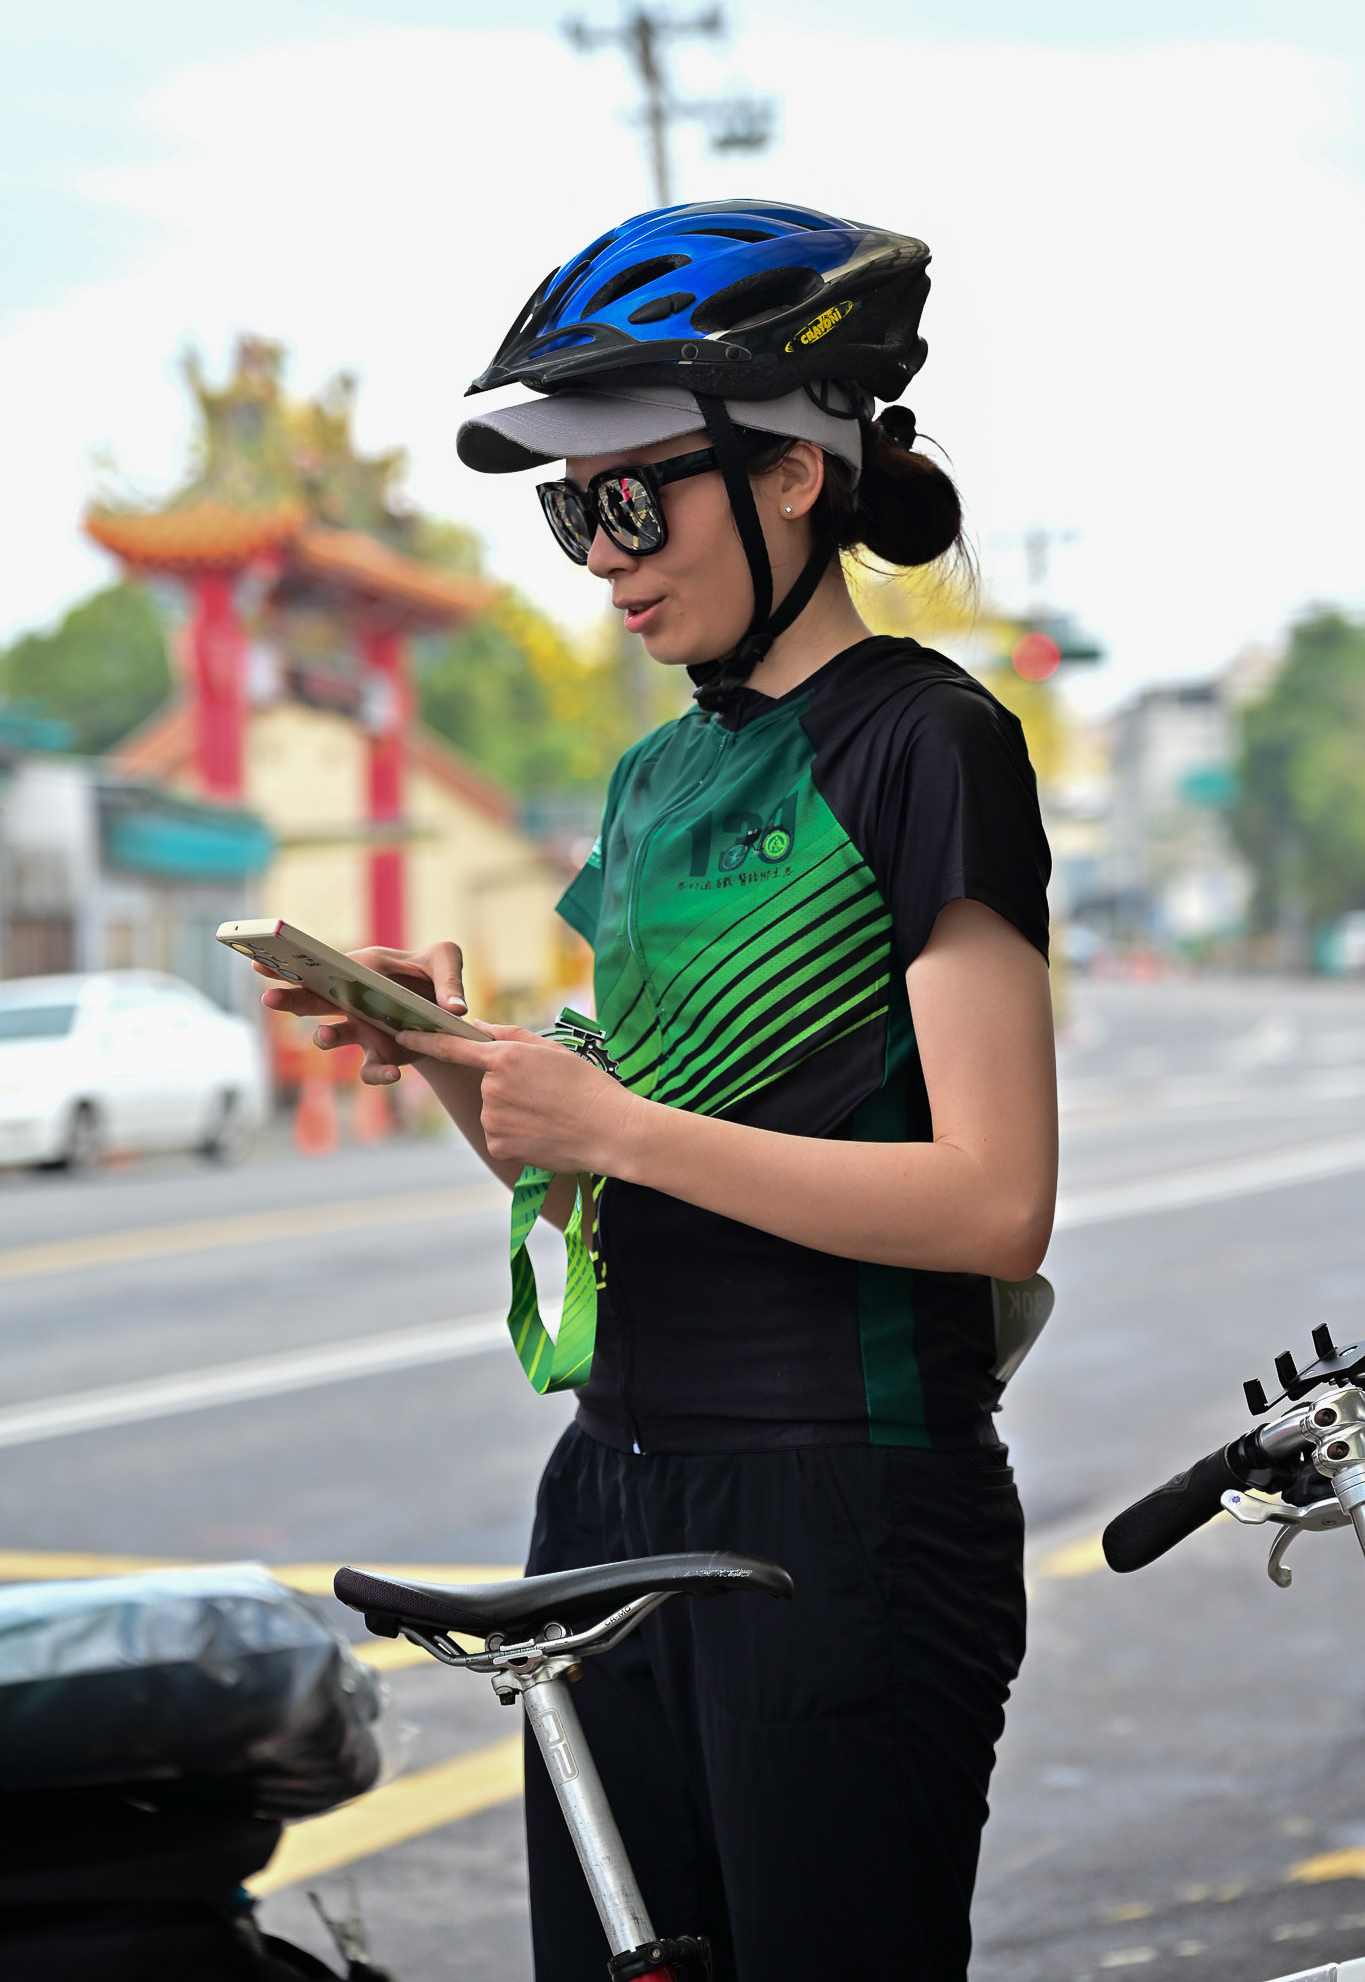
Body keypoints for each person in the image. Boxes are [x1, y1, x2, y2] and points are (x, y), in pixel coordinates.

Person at [262, 200, 1057, 1982]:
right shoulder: (649, 781)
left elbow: (995, 1200)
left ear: (792, 471)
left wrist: (612, 1123)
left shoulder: (927, 742)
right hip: (610, 1486)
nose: (600, 558)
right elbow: (619, 1174)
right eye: (571, 513)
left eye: (632, 500)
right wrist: (460, 1066)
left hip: (841, 1504)